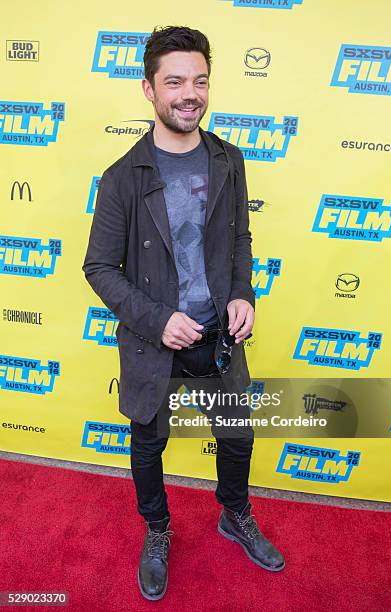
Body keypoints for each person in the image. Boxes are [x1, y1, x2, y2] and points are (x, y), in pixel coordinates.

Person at [82, 25, 285, 602]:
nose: (189, 94)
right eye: (174, 82)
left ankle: (234, 515)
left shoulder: (229, 159)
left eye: (199, 81)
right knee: (148, 445)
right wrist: (156, 319)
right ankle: (159, 530)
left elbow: (240, 237)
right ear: (148, 89)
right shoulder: (122, 179)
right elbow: (99, 268)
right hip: (155, 341)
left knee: (239, 436)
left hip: (220, 335)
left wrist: (244, 293)